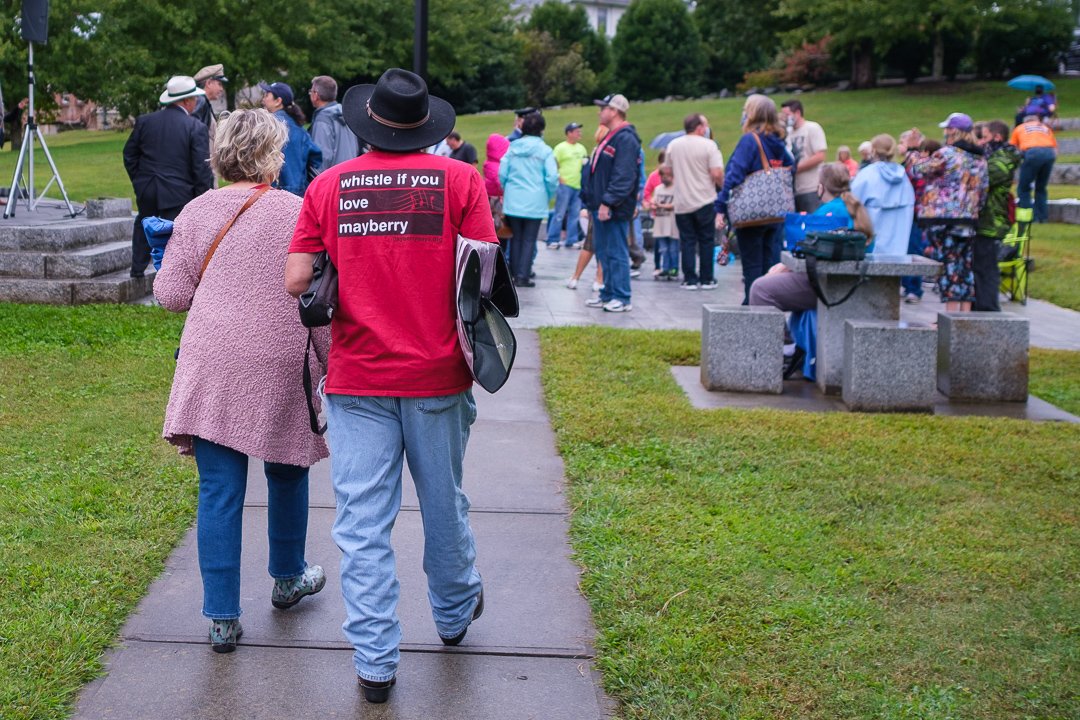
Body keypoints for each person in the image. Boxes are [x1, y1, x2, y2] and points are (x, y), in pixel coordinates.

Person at [284, 68, 493, 704]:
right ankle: (454, 612)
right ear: (425, 126)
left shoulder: (331, 186)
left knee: (361, 523)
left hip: (357, 376)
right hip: (438, 373)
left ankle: (375, 662)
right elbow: (483, 273)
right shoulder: (461, 179)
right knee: (442, 501)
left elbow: (296, 279)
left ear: (367, 122)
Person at [154, 108, 329, 654]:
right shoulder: (297, 210)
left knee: (220, 491)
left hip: (213, 359)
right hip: (279, 358)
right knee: (287, 471)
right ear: (271, 156)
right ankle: (287, 576)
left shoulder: (197, 211)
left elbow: (171, 296)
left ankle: (223, 618)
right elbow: (317, 290)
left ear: (220, 153)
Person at [749, 162, 874, 379]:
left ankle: (785, 348)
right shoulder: (857, 210)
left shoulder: (826, 213)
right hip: (851, 282)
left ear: (821, 187)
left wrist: (786, 266)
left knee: (761, 289)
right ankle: (792, 346)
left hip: (826, 285)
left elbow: (809, 254)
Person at [123, 76, 214, 278]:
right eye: (194, 99)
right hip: (179, 190)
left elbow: (129, 155)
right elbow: (201, 168)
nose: (196, 103)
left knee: (143, 224)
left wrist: (139, 180)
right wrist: (202, 198)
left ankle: (137, 270)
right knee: (175, 232)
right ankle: (172, 276)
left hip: (148, 187)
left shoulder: (145, 121)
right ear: (187, 101)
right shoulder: (195, 127)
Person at [716, 94, 795, 304]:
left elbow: (734, 175)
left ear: (752, 114)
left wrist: (720, 206)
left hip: (752, 214)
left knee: (752, 267)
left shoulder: (750, 140)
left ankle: (754, 314)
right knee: (770, 264)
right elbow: (791, 167)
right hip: (776, 214)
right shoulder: (778, 141)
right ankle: (768, 311)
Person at [911, 112, 989, 312]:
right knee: (965, 267)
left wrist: (915, 150)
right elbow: (983, 190)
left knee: (949, 267)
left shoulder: (947, 154)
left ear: (954, 131)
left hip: (943, 218)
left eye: (946, 129)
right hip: (968, 219)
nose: (945, 133)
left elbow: (918, 170)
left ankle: (949, 320)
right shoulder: (980, 158)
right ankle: (964, 315)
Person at [580, 93, 641, 313]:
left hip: (613, 208)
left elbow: (624, 176)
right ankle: (608, 293)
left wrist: (608, 202)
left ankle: (622, 297)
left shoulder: (625, 138)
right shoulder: (612, 136)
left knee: (616, 251)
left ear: (614, 111)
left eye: (603, 108)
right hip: (601, 206)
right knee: (604, 252)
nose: (600, 112)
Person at [664, 113, 724, 290]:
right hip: (705, 199)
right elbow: (716, 173)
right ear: (699, 127)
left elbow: (667, 169)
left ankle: (689, 278)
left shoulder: (674, 145)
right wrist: (723, 187)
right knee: (706, 240)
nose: (706, 128)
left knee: (687, 240)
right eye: (705, 125)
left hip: (682, 201)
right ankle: (706, 278)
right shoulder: (709, 145)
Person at [498, 112, 558, 286]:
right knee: (529, 239)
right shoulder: (545, 151)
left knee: (516, 238)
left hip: (514, 199)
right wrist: (548, 194)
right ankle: (523, 276)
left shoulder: (512, 147)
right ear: (541, 129)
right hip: (536, 200)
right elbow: (552, 177)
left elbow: (502, 173)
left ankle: (515, 274)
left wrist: (507, 189)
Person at [974, 120, 1022, 311]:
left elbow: (982, 180)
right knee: (980, 266)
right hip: (985, 220)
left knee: (986, 268)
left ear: (997, 137)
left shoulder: (1001, 160)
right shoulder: (994, 156)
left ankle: (988, 309)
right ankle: (980, 305)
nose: (981, 142)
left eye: (984, 137)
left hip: (991, 222)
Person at [851, 134, 915, 256]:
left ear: (873, 151)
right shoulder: (904, 178)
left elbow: (851, 204)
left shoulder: (866, 175)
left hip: (870, 248)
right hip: (899, 250)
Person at [259, 81, 322, 196]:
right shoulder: (298, 127)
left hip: (272, 191)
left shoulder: (266, 125)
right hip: (299, 192)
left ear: (278, 101)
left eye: (267, 95)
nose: (263, 99)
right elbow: (316, 157)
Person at [780, 99, 828, 212]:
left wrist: (795, 169)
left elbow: (820, 155)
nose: (786, 118)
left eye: (787, 114)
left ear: (797, 113)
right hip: (793, 190)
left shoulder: (812, 128)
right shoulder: (787, 133)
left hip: (811, 187)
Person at [547, 122, 588, 249]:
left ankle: (571, 239)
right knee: (560, 213)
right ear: (569, 133)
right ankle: (553, 239)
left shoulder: (581, 148)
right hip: (565, 185)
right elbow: (553, 163)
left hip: (577, 185)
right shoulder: (560, 148)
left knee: (574, 214)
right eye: (576, 131)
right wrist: (559, 177)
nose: (579, 134)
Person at [1011, 113, 1057, 223]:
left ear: (1025, 121)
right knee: (1041, 187)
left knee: (1023, 188)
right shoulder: (1045, 128)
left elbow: (1012, 148)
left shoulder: (1020, 128)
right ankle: (1042, 217)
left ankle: (1028, 217)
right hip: (1049, 153)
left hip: (1032, 153)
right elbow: (1055, 147)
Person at [308, 75, 360, 172]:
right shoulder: (346, 114)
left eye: (311, 91)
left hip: (331, 181)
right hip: (349, 177)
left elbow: (322, 157)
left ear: (316, 95)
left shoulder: (323, 118)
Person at [651, 165, 679, 279]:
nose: (664, 178)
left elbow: (675, 205)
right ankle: (665, 268)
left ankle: (674, 268)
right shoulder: (658, 189)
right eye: (662, 176)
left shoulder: (676, 188)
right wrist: (652, 204)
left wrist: (660, 205)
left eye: (667, 176)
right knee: (663, 248)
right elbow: (653, 200)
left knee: (673, 248)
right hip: (660, 222)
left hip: (672, 223)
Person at [192, 64, 227, 139]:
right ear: (209, 83)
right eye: (219, 84)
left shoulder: (201, 102)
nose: (221, 89)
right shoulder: (200, 103)